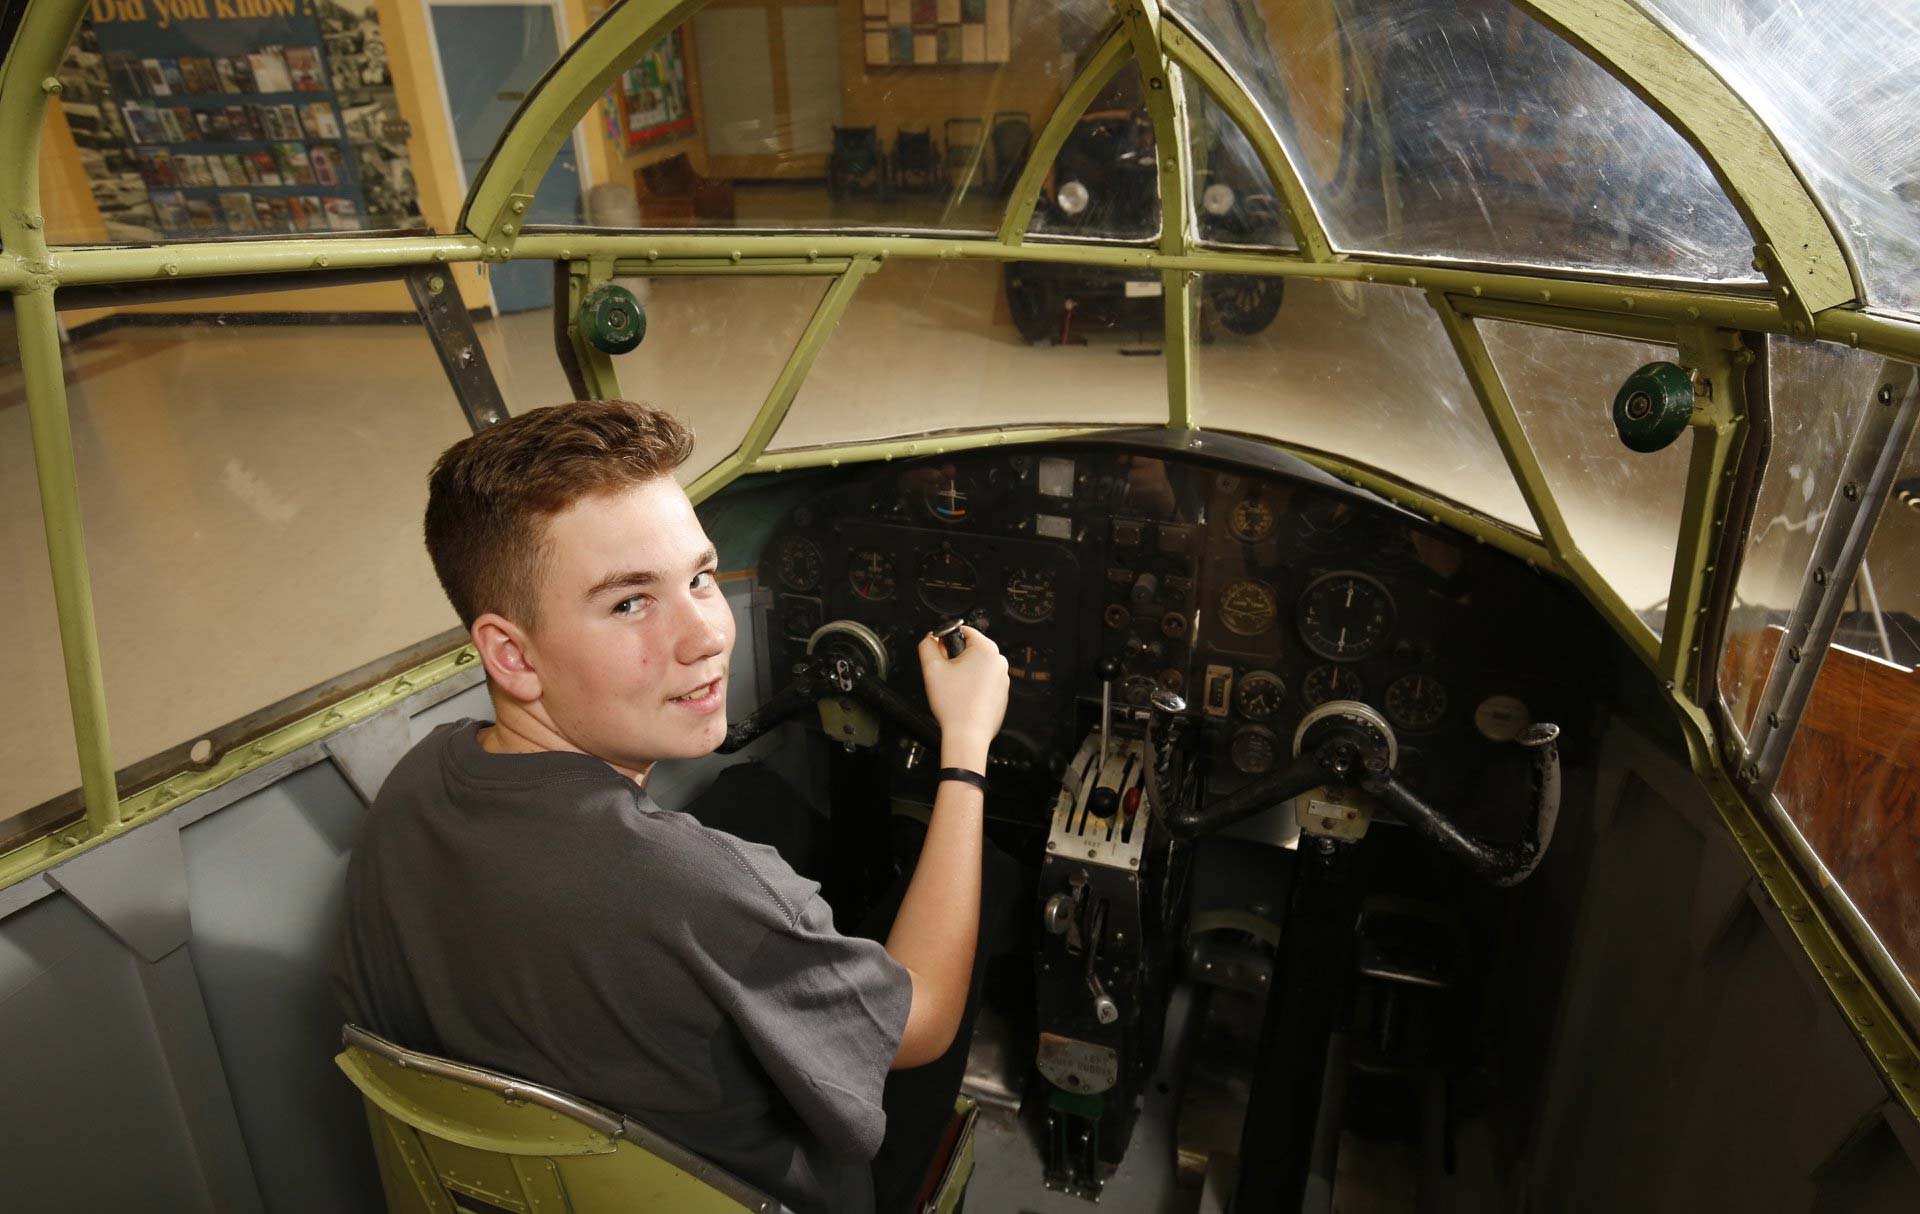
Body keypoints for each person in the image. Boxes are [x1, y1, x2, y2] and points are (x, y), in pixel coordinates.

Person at [331, 399, 1009, 1214]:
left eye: (698, 578)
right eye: (629, 602)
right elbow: (924, 1023)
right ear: (511, 654)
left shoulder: (414, 784)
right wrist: (966, 748)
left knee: (751, 796)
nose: (707, 636)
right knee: (991, 875)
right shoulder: (692, 888)